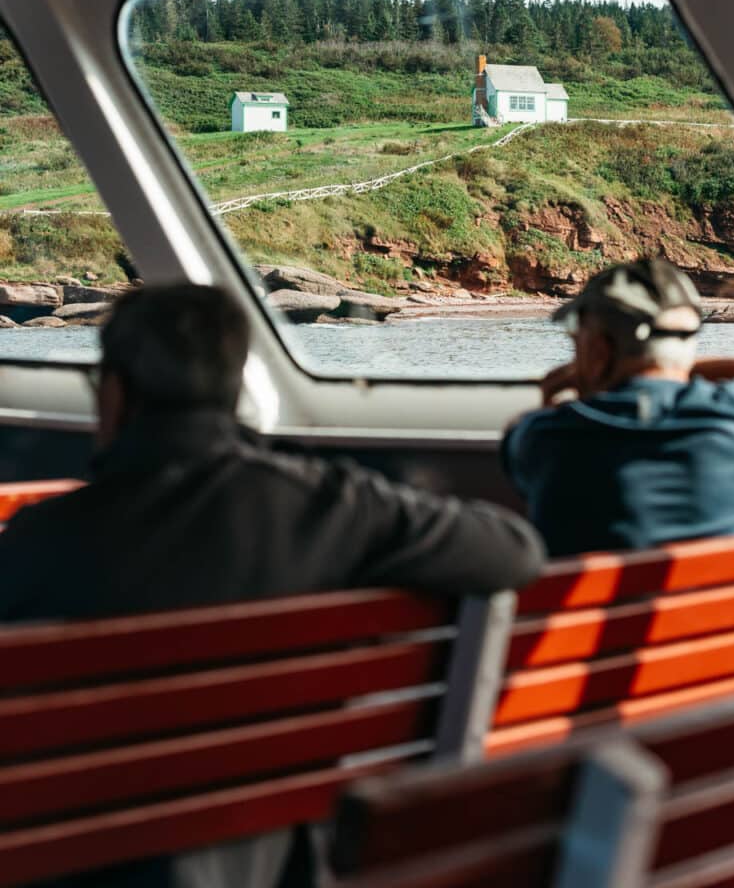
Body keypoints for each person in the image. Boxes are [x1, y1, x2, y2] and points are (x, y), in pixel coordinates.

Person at [0, 283, 544, 888]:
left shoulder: (35, 543)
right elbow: (513, 551)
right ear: (235, 389)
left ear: (115, 393)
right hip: (275, 862)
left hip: (72, 869)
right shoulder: (332, 508)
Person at [504, 257, 734, 557]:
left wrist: (590, 374)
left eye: (575, 335)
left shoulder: (545, 438)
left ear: (600, 350)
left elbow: (518, 430)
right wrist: (669, 363)